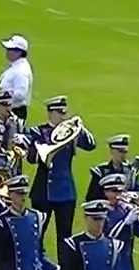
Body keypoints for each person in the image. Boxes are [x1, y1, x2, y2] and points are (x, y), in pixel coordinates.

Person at [25, 95, 96, 258]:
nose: (63, 116)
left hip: (64, 191)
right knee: (37, 233)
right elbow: (31, 158)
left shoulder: (70, 132)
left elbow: (91, 145)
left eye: (64, 113)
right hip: (43, 190)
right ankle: (37, 266)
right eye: (59, 113)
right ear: (50, 113)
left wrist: (81, 129)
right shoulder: (38, 131)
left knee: (65, 236)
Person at [85, 134, 139, 202]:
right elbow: (92, 197)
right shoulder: (100, 171)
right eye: (120, 151)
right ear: (112, 151)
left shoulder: (132, 171)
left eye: (125, 152)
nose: (123, 155)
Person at [0, 34, 32, 122]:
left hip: (13, 112)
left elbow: (20, 94)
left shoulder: (21, 71)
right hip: (7, 110)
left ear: (19, 52)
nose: (7, 52)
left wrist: (3, 94)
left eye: (10, 49)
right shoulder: (16, 66)